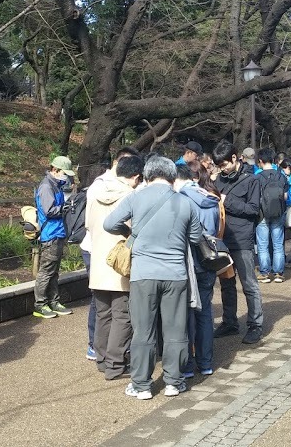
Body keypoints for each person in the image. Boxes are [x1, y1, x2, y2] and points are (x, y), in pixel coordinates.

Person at [104, 156, 203, 400]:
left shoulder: (135, 198)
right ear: (172, 176)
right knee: (175, 330)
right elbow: (195, 237)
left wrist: (130, 232)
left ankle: (141, 385)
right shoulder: (185, 202)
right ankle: (173, 382)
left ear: (147, 175)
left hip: (143, 275)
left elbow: (109, 223)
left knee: (143, 331)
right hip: (175, 275)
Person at [85, 154, 143, 380]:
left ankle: (101, 360)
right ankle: (115, 363)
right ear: (136, 176)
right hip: (121, 263)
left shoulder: (95, 191)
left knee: (103, 314)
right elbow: (134, 228)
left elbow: (88, 225)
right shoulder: (131, 196)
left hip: (99, 259)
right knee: (123, 316)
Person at [211, 141, 264, 344]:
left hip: (242, 239)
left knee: (249, 284)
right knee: (226, 283)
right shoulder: (219, 180)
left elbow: (253, 210)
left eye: (224, 165)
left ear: (235, 158)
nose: (222, 169)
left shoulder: (251, 180)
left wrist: (227, 201)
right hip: (222, 239)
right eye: (219, 166)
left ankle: (255, 325)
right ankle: (230, 322)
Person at [177, 162, 221, 376]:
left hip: (189, 263)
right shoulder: (211, 197)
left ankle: (186, 365)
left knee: (186, 314)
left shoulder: (181, 199)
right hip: (209, 260)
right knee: (205, 312)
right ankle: (205, 363)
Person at [33, 155, 76, 319]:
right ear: (55, 170)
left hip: (57, 232)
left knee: (54, 271)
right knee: (46, 271)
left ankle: (53, 301)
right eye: (64, 172)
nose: (66, 176)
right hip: (50, 233)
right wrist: (67, 207)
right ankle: (40, 304)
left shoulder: (57, 184)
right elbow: (50, 210)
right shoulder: (46, 186)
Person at [255, 148, 289, 283]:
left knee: (262, 244)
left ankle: (264, 273)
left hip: (262, 214)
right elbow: (286, 196)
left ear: (260, 161)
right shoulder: (281, 176)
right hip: (278, 212)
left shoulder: (257, 177)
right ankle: (279, 273)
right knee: (278, 244)